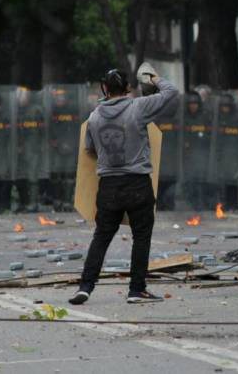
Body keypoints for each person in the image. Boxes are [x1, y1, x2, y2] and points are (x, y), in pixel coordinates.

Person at [69, 64, 178, 305]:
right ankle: (136, 289)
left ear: (105, 89)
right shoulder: (138, 107)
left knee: (102, 237)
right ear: (128, 88)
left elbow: (88, 149)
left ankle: (85, 287)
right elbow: (171, 93)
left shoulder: (95, 116)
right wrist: (153, 77)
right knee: (141, 236)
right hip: (138, 183)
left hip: (108, 186)